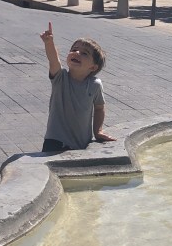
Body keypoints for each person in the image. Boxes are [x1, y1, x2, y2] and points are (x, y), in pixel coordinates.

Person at [39, 23, 116, 153]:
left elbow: (99, 108)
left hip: (82, 143)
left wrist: (98, 131)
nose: (77, 53)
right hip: (55, 142)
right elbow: (53, 60)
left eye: (84, 53)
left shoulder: (95, 85)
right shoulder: (60, 78)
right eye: (74, 49)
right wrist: (49, 43)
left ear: (93, 67)